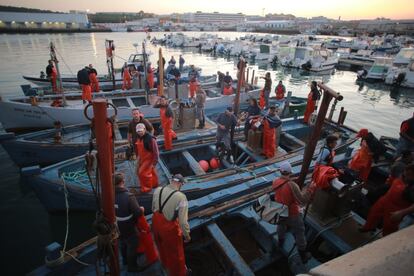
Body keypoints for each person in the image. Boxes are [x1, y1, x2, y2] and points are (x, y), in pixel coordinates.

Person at [273, 161, 314, 263]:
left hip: (280, 210)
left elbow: (283, 189)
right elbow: (302, 200)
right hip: (292, 213)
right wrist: (310, 190)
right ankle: (303, 254)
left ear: (280, 171)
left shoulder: (275, 181)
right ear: (290, 172)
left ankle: (280, 242)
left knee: (281, 226)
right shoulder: (292, 185)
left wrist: (292, 183)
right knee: (299, 231)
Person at [152, 174, 190, 276]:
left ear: (172, 181)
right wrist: (186, 235)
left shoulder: (158, 190)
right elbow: (183, 222)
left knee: (161, 246)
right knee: (176, 255)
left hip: (155, 223)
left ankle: (165, 264)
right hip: (168, 229)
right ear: (180, 183)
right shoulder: (181, 197)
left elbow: (153, 208)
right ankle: (179, 273)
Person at [360, 164, 414, 236]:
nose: (406, 175)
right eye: (405, 172)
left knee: (389, 226)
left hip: (397, 208)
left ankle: (385, 239)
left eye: (409, 175)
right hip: (385, 199)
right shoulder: (402, 172)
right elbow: (392, 177)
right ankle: (368, 227)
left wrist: (401, 213)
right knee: (373, 213)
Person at [114, 173, 145, 272]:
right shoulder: (129, 196)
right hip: (129, 226)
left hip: (117, 225)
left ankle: (125, 261)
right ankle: (132, 267)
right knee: (132, 245)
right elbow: (137, 213)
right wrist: (142, 209)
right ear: (122, 182)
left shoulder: (110, 195)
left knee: (123, 242)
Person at [135, 123, 159, 193]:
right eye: (138, 131)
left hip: (149, 159)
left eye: (141, 131)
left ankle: (147, 188)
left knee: (142, 173)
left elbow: (156, 152)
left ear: (145, 129)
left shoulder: (151, 139)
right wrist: (139, 159)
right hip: (142, 158)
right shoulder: (139, 137)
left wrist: (154, 163)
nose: (140, 132)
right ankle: (154, 184)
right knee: (152, 171)